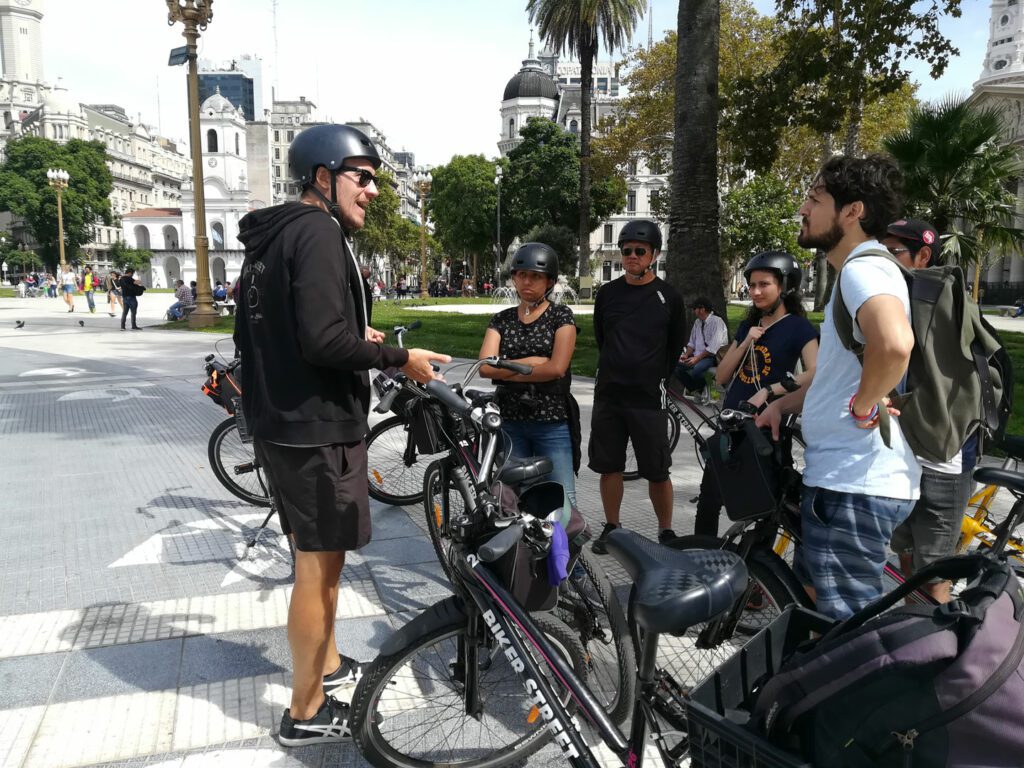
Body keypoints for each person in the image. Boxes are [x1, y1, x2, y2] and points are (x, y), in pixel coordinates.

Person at [233, 123, 449, 747]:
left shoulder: (276, 237)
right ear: (323, 178)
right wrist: (397, 359)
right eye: (363, 176)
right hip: (314, 429)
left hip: (285, 422)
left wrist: (365, 343)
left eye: (378, 178)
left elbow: (294, 335)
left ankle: (326, 666)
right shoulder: (320, 234)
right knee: (317, 566)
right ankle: (305, 711)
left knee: (318, 557)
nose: (374, 190)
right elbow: (324, 342)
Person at [756, 154, 919, 620]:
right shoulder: (861, 272)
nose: (803, 209)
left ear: (853, 211)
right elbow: (836, 374)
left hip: (855, 483)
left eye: (815, 198)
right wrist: (784, 404)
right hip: (840, 480)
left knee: (851, 632)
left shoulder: (862, 270)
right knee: (816, 612)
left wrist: (866, 405)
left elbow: (893, 344)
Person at [881, 218, 974, 603]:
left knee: (933, 569)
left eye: (893, 253)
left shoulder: (938, 300)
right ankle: (914, 629)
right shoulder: (898, 299)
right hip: (906, 451)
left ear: (922, 255)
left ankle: (940, 650)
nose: (885, 261)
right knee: (905, 552)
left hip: (943, 457)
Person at [692, 252, 818, 537]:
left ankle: (761, 574)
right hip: (731, 425)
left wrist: (771, 390)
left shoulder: (799, 327)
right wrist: (747, 339)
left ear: (783, 286)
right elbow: (722, 375)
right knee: (709, 501)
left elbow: (815, 371)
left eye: (764, 284)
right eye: (752, 285)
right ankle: (703, 560)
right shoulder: (750, 325)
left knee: (766, 508)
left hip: (765, 429)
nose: (756, 292)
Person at [589, 219, 685, 553]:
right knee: (609, 465)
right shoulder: (608, 294)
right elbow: (602, 338)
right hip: (610, 395)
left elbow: (675, 345)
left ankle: (666, 531)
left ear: (654, 254)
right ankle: (613, 528)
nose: (631, 256)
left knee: (657, 470)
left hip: (647, 398)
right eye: (626, 250)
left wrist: (654, 374)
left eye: (639, 251)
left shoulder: (668, 297)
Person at [479, 243, 579, 506]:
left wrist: (507, 369)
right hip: (510, 420)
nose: (527, 281)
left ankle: (565, 549)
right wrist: (533, 365)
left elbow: (557, 368)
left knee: (562, 498)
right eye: (521, 275)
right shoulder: (501, 319)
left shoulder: (561, 317)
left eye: (536, 276)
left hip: (551, 421)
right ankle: (521, 548)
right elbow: (486, 367)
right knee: (511, 498)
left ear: (549, 281)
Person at [674, 296, 729, 396]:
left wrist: (696, 359)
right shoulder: (697, 322)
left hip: (712, 357)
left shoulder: (717, 322)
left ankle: (702, 390)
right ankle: (695, 389)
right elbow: (692, 343)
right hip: (697, 356)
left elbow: (713, 348)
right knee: (675, 366)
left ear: (702, 309)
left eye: (694, 308)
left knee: (697, 370)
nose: (694, 311)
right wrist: (686, 355)